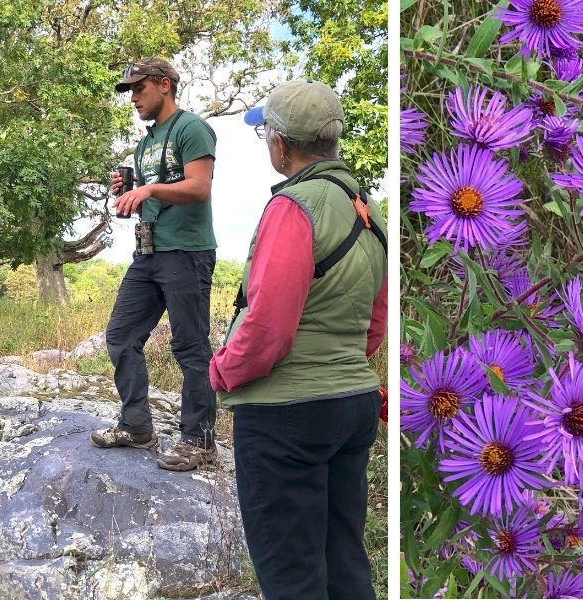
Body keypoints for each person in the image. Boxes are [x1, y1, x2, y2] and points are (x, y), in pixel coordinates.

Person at [208, 79, 387, 600]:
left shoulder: (294, 206)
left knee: (292, 578)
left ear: (281, 144)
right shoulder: (366, 210)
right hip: (351, 404)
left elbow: (267, 330)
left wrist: (221, 371)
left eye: (266, 134)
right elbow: (373, 328)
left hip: (286, 417)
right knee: (344, 563)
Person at [90, 57, 219, 472]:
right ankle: (137, 427)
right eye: (129, 91)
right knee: (121, 335)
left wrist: (147, 190)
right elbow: (153, 195)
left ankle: (199, 440)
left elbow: (198, 188)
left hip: (186, 252)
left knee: (190, 346)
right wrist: (129, 195)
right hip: (148, 253)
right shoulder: (146, 143)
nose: (133, 98)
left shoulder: (191, 128)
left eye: (139, 88)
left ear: (164, 85)